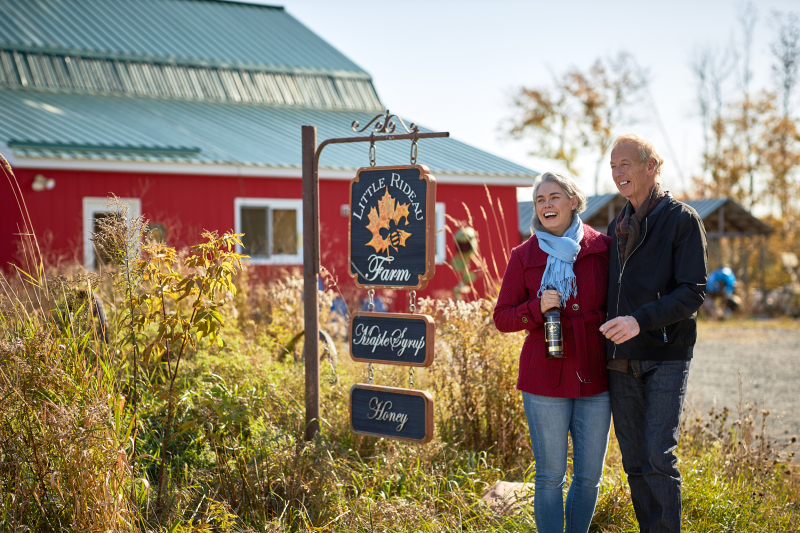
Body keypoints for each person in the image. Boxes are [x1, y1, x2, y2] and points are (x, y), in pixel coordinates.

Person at [599, 134, 707, 533]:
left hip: (666, 355)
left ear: (651, 167)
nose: (618, 172)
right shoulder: (616, 225)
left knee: (659, 456)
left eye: (626, 163)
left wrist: (639, 320)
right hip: (619, 358)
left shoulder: (682, 219)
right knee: (633, 460)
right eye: (613, 165)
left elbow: (692, 292)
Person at [494, 172, 612, 533]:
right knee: (549, 476)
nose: (546, 204)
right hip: (543, 378)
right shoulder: (523, 254)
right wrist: (535, 307)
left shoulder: (603, 248)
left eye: (555, 196)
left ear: (574, 201)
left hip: (595, 376)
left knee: (589, 476)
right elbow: (502, 317)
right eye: (540, 198)